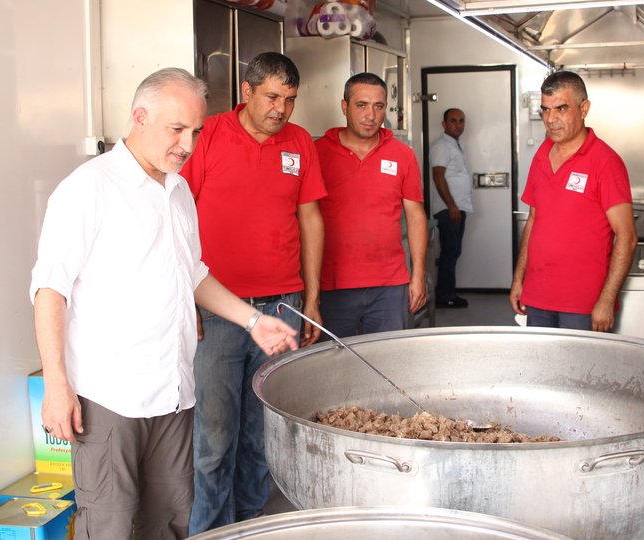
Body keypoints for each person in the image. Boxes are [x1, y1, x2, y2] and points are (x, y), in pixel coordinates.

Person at [30, 68, 298, 540]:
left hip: (174, 391)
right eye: (177, 129)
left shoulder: (176, 192)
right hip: (111, 395)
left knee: (172, 521)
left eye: (194, 130)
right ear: (140, 116)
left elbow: (191, 273)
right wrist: (56, 384)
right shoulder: (88, 188)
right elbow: (50, 289)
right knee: (112, 525)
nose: (187, 143)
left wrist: (252, 319)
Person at [179, 52, 327, 534]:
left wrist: (311, 298)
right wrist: (187, 298)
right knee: (214, 441)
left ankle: (250, 526)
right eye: (271, 97)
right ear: (247, 91)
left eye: (289, 100)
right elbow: (177, 220)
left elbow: (310, 220)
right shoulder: (209, 136)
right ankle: (210, 531)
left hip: (281, 305)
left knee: (262, 437)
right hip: (218, 313)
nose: (281, 109)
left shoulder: (300, 142)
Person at [510, 71, 637, 331]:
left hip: (584, 305)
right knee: (542, 370)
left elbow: (627, 236)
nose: (551, 119)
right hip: (538, 297)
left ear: (584, 108)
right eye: (545, 110)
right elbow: (534, 220)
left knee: (580, 373)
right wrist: (519, 278)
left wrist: (606, 299)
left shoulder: (605, 162)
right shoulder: (542, 155)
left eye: (561, 109)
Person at [315, 73, 427, 337]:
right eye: (361, 105)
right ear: (345, 107)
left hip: (389, 285)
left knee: (387, 366)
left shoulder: (403, 155)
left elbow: (415, 216)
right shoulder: (317, 153)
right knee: (331, 369)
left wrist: (418, 274)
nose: (371, 115)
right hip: (331, 284)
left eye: (378, 106)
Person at [430, 108, 473, 308]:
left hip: (456, 208)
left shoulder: (457, 144)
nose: (458, 125)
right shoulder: (442, 145)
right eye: (453, 121)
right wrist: (451, 206)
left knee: (452, 251)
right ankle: (444, 296)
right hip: (449, 210)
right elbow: (438, 176)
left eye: (461, 121)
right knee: (450, 251)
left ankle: (447, 293)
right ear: (444, 124)